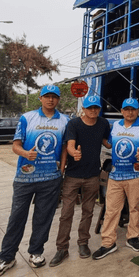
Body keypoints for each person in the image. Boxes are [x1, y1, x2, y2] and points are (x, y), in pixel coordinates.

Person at [0, 85, 69, 277]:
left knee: (43, 217)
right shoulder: (27, 118)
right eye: (47, 96)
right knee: (17, 217)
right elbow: (16, 145)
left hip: (51, 178)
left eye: (54, 97)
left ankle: (36, 252)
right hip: (25, 177)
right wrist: (25, 153)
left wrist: (62, 169)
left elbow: (65, 147)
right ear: (40, 98)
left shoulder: (65, 120)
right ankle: (7, 256)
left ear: (58, 100)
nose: (51, 100)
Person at [49, 95, 111, 267]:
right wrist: (73, 153)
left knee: (88, 211)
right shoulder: (74, 124)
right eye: (90, 107)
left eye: (96, 108)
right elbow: (70, 144)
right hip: (73, 176)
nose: (93, 110)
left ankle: (83, 243)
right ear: (83, 109)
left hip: (92, 175)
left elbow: (107, 142)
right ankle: (62, 248)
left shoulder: (103, 124)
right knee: (66, 213)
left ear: (99, 109)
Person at [91, 98, 139, 260]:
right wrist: (95, 134)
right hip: (116, 175)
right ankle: (108, 243)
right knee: (111, 209)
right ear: (122, 111)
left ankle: (133, 238)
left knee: (135, 208)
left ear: (138, 111)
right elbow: (109, 144)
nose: (130, 112)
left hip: (136, 175)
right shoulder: (116, 126)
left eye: (133, 109)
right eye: (127, 109)